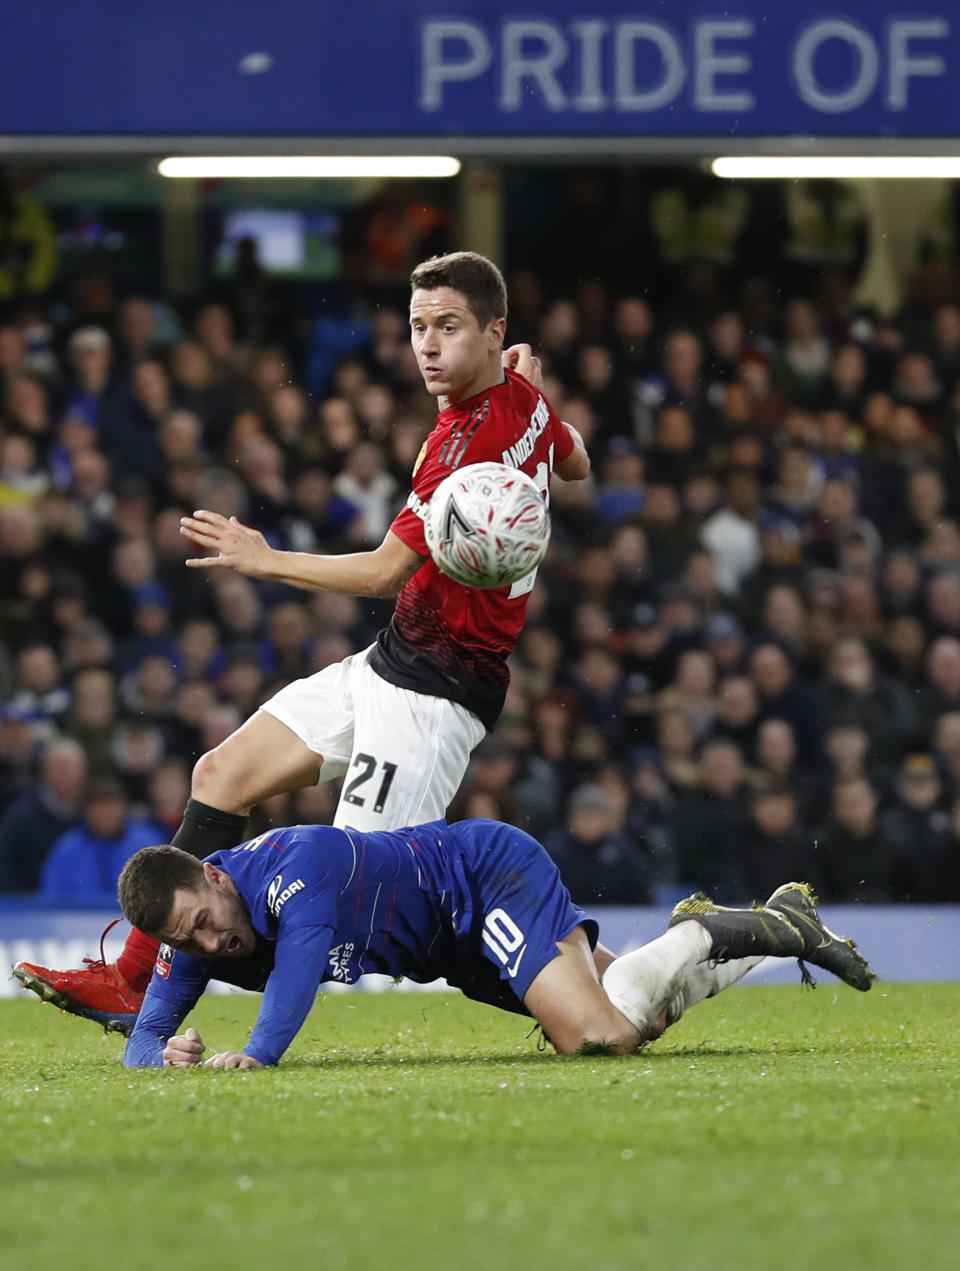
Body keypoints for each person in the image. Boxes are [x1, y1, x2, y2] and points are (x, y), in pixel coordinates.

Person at [14, 251, 590, 1030]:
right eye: (419, 326)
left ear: (494, 332)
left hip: (436, 694)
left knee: (363, 909)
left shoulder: (465, 444)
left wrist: (263, 557)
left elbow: (388, 571)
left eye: (447, 328)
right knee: (221, 771)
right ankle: (133, 984)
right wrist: (533, 409)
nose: (426, 345)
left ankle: (604, 990)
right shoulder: (520, 399)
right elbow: (576, 458)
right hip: (393, 661)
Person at [98, 817, 872, 1062]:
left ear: (213, 875)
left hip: (478, 881)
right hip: (456, 953)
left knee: (595, 1039)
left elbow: (299, 964)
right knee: (643, 1013)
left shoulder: (292, 866)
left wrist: (257, 1054)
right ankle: (773, 928)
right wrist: (161, 1062)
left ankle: (722, 927)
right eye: (185, 940)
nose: (208, 943)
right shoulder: (193, 934)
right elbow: (149, 1025)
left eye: (203, 919)